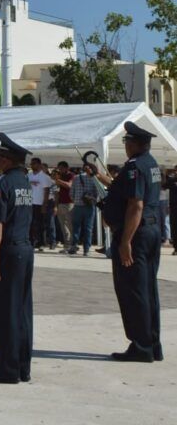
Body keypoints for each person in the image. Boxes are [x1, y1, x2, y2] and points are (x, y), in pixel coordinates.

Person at [102, 120, 162, 363]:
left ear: (135, 144)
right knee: (148, 290)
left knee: (133, 291)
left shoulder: (135, 167)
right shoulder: (151, 163)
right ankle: (152, 343)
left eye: (126, 141)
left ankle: (140, 346)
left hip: (135, 235)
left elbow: (135, 205)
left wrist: (125, 241)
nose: (125, 145)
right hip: (150, 231)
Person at [0, 132, 34, 384]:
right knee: (22, 311)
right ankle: (22, 366)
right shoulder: (24, 182)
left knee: (4, 312)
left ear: (8, 159)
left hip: (8, 251)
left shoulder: (1, 186)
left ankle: (7, 369)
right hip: (24, 248)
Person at [68, 164, 99, 256]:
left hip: (77, 205)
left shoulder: (76, 178)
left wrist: (76, 200)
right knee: (88, 229)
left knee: (76, 228)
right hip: (89, 206)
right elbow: (97, 194)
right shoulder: (95, 179)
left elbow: (71, 193)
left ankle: (74, 246)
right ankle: (86, 249)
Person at [27, 157, 52, 251]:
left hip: (39, 203)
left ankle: (41, 242)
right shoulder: (28, 176)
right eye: (31, 164)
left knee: (39, 224)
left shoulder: (45, 177)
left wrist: (44, 205)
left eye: (34, 163)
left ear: (39, 165)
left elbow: (47, 191)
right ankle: (31, 241)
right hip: (29, 203)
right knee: (30, 224)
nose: (32, 165)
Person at [53, 161, 74, 249]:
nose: (60, 170)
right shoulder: (60, 176)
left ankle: (73, 243)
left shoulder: (71, 176)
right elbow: (57, 191)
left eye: (61, 168)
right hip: (60, 202)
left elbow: (69, 185)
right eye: (59, 169)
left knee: (70, 224)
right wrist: (56, 205)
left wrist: (57, 180)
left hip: (69, 203)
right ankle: (67, 244)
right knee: (62, 225)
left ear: (66, 168)